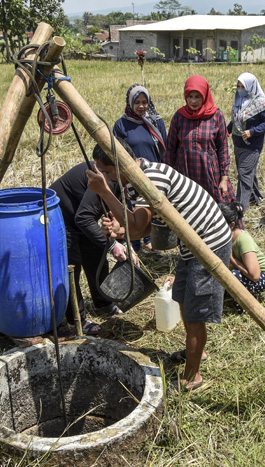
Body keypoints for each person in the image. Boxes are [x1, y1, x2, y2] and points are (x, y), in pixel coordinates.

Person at [86, 139, 231, 392]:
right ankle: (196, 352)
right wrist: (120, 230)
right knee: (184, 298)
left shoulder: (149, 177)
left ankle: (192, 378)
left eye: (108, 172)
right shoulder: (134, 180)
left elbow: (139, 227)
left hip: (208, 242)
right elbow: (141, 225)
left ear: (122, 165)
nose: (107, 178)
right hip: (191, 243)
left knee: (196, 312)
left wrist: (104, 193)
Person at [49, 162, 129, 335]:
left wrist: (120, 239)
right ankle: (76, 320)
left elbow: (111, 212)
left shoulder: (123, 183)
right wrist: (113, 245)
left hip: (82, 215)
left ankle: (103, 302)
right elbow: (83, 217)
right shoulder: (109, 178)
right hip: (62, 216)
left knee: (96, 252)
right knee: (72, 267)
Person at [114, 83, 168, 252]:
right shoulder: (121, 125)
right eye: (137, 102)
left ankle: (149, 241)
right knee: (133, 209)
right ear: (130, 103)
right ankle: (134, 245)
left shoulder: (155, 121)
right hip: (131, 174)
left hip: (153, 172)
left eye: (144, 102)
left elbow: (164, 146)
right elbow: (117, 150)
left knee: (151, 208)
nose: (141, 106)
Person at [164, 74, 235, 203]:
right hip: (185, 175)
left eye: (197, 97)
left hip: (209, 175)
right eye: (190, 96)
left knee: (215, 211)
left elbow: (223, 149)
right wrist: (169, 178)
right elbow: (170, 150)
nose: (193, 101)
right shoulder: (179, 117)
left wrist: (224, 179)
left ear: (205, 95)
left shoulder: (216, 116)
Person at [226, 72, 265, 211]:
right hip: (238, 143)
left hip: (252, 145)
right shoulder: (238, 100)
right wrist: (226, 130)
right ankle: (254, 197)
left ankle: (239, 210)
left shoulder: (260, 102)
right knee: (247, 172)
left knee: (244, 174)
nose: (240, 89)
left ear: (251, 87)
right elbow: (235, 120)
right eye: (238, 86)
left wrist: (252, 132)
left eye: (243, 87)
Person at [219, 201, 265, 313]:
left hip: (263, 275)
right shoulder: (223, 238)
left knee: (234, 276)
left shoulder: (243, 240)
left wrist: (233, 260)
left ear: (232, 225)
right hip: (243, 272)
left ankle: (248, 306)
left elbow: (255, 275)